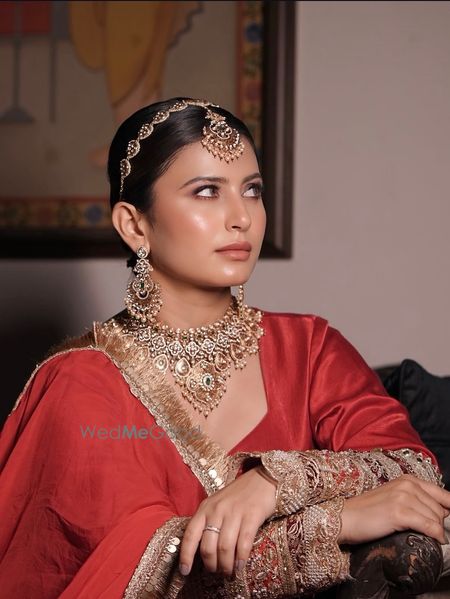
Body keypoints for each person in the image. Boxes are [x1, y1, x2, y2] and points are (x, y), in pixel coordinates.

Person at [0, 97, 449, 599]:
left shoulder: (308, 348)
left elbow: (415, 471)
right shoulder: (81, 382)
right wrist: (336, 521)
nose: (242, 218)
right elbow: (148, 569)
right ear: (134, 225)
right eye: (207, 191)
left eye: (252, 190)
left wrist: (274, 483)